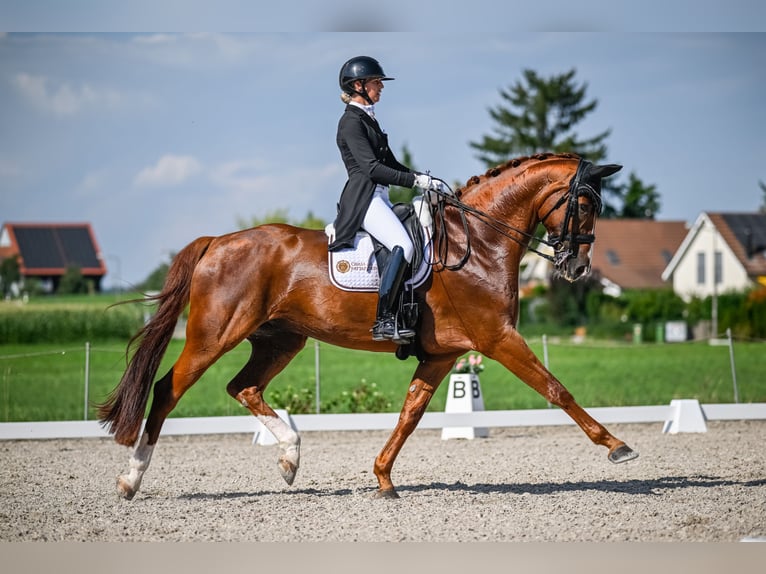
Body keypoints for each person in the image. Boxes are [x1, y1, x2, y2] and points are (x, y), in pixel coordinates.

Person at [329, 55, 442, 343]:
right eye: (376, 82)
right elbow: (371, 168)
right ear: (359, 85)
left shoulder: (369, 120)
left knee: (414, 238)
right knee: (402, 244)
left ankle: (406, 311)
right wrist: (415, 181)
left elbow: (392, 165)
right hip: (364, 198)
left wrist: (426, 180)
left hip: (380, 196)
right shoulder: (350, 123)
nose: (381, 87)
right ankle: (384, 320)